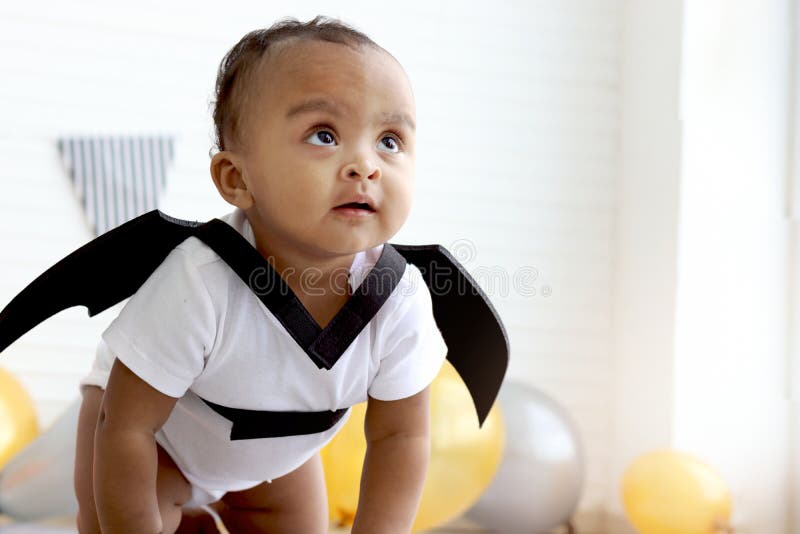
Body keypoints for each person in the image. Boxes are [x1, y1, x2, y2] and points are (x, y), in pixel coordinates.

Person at [73, 16, 448, 534]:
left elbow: (400, 440)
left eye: (389, 140)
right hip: (152, 443)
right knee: (125, 520)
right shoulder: (201, 280)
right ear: (237, 178)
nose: (366, 165)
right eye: (324, 134)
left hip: (273, 463)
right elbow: (128, 427)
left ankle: (206, 518)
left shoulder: (397, 298)